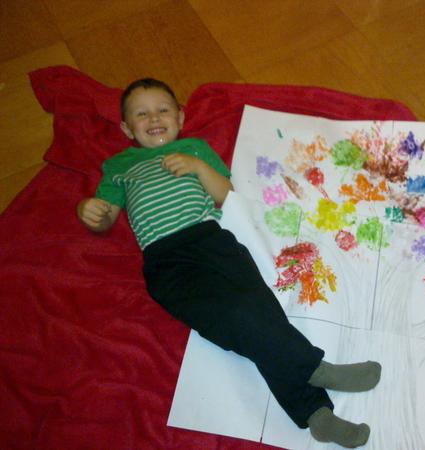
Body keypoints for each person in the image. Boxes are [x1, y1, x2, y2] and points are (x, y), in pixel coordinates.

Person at [77, 78, 382, 448]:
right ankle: (316, 370)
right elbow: (105, 215)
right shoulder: (119, 166)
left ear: (180, 117)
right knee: (236, 320)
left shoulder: (194, 148)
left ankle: (317, 416)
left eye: (163, 110)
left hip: (212, 242)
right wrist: (89, 211)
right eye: (141, 114)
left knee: (262, 317)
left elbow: (226, 194)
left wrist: (197, 166)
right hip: (167, 261)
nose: (154, 118)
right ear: (126, 128)